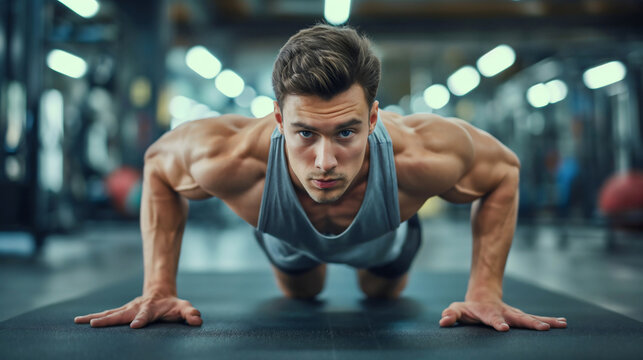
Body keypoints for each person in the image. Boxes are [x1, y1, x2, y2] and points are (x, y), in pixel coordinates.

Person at [74, 24, 567, 332]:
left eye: (347, 131)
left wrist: (485, 290)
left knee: (381, 294)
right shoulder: (228, 157)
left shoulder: (422, 153)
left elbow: (504, 169)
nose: (325, 160)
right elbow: (158, 164)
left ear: (374, 119)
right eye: (304, 133)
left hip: (383, 234)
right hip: (289, 238)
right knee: (303, 292)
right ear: (277, 120)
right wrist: (159, 286)